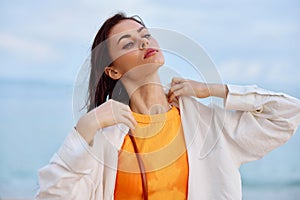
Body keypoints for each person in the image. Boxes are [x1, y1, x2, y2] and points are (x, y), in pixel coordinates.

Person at [35, 13, 300, 200]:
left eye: (146, 35)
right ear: (113, 71)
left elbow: (288, 113)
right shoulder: (105, 141)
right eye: (128, 43)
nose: (144, 42)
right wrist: (86, 127)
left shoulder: (206, 126)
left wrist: (213, 90)